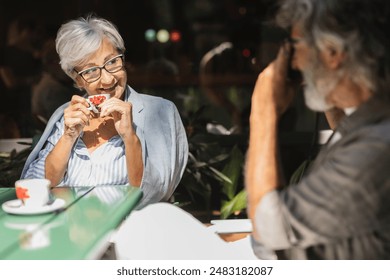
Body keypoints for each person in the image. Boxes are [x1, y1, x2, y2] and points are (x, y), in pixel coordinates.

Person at [245, 0, 390, 259]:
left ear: (332, 52)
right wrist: (328, 88)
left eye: (295, 46)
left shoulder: (377, 147)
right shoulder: (370, 124)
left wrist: (263, 110)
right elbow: (345, 134)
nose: (295, 62)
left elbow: (270, 231)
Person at [21, 15, 188, 208]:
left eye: (112, 62)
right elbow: (35, 186)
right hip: (72, 231)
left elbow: (157, 194)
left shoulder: (161, 111)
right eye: (91, 71)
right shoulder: (66, 115)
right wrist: (68, 136)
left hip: (128, 233)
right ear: (78, 80)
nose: (108, 80)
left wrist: (129, 137)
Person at [31, 39, 78, 127]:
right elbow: (61, 121)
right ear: (53, 63)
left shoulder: (56, 83)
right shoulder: (52, 88)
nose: (71, 65)